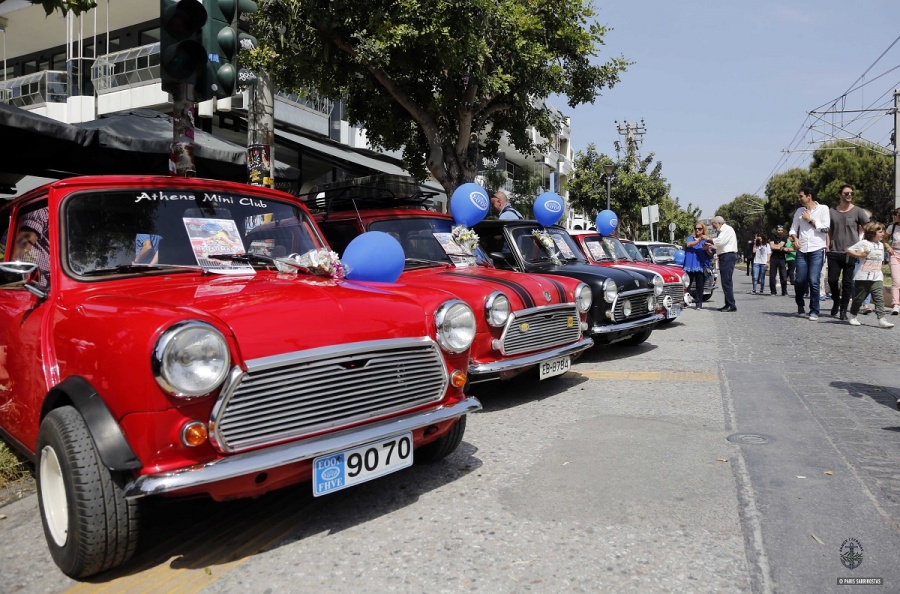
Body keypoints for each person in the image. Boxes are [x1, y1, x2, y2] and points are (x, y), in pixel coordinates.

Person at [827, 184, 869, 320]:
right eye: (846, 193)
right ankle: (836, 301)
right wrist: (828, 247)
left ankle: (843, 309)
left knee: (847, 282)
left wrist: (866, 245)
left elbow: (868, 228)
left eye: (851, 193)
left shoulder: (858, 211)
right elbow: (829, 230)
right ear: (840, 195)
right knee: (832, 280)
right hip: (834, 251)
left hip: (851, 252)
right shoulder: (831, 211)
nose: (849, 195)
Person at [788, 186, 830, 320]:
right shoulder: (799, 211)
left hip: (817, 249)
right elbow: (793, 229)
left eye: (801, 196)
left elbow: (825, 228)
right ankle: (800, 305)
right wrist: (795, 238)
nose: (799, 199)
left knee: (814, 280)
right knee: (800, 280)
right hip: (802, 250)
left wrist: (810, 220)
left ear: (809, 196)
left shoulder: (823, 209)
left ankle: (814, 310)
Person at [846, 221, 893, 328]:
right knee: (859, 298)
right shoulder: (864, 243)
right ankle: (853, 315)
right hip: (863, 276)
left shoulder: (881, 245)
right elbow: (848, 251)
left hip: (877, 276)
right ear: (872, 232)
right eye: (880, 232)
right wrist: (860, 254)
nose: (883, 234)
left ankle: (882, 319)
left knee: (879, 298)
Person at [683, 221, 716, 308]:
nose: (697, 230)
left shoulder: (707, 240)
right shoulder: (690, 238)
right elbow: (688, 245)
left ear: (703, 229)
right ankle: (684, 302)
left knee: (699, 286)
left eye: (699, 229)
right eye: (696, 228)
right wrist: (698, 240)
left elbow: (711, 254)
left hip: (701, 266)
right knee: (687, 285)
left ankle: (698, 304)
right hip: (689, 266)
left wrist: (706, 249)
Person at [710, 215, 738, 311]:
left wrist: (709, 239)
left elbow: (720, 242)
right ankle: (728, 303)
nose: (713, 227)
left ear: (717, 223)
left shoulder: (727, 229)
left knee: (727, 281)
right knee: (725, 281)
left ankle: (731, 304)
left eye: (713, 224)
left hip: (728, 256)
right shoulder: (723, 231)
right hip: (724, 256)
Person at [887, 208, 900, 315]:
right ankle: (896, 305)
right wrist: (887, 246)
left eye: (896, 215)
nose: (894, 217)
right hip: (895, 254)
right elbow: (883, 238)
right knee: (896, 281)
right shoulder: (892, 227)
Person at [768, 225, 788, 295]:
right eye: (779, 230)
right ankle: (773, 291)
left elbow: (780, 245)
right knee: (772, 275)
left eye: (781, 230)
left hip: (781, 257)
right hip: (774, 258)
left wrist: (777, 246)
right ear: (776, 230)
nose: (780, 231)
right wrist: (780, 247)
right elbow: (772, 247)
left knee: (783, 275)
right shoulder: (772, 237)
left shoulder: (784, 238)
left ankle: (784, 291)